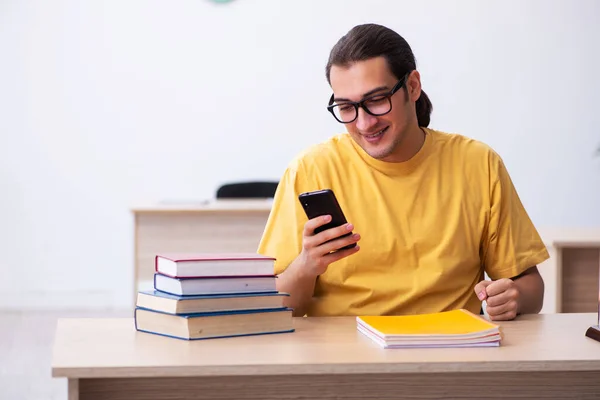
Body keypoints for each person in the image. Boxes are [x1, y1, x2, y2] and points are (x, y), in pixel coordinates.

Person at [257, 23, 549, 321]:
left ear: (412, 86)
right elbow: (276, 306)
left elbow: (531, 287)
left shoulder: (479, 164)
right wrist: (307, 265)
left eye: (376, 100)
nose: (363, 123)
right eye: (346, 107)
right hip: (344, 357)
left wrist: (514, 296)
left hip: (449, 352)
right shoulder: (310, 169)